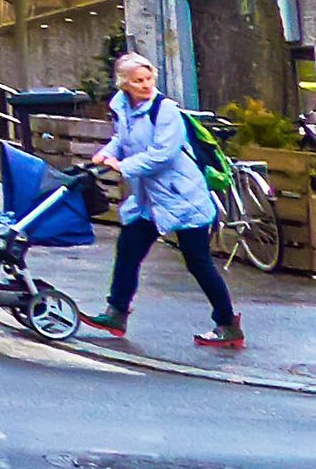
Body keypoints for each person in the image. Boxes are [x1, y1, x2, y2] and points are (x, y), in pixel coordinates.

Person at [88, 52, 242, 349]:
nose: (146, 85)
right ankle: (116, 312)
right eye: (138, 81)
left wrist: (124, 166)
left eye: (148, 79)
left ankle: (227, 324)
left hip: (182, 197)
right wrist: (106, 153)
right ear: (124, 84)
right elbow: (122, 139)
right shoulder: (122, 108)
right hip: (149, 199)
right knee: (128, 249)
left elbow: (163, 154)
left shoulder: (165, 111)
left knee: (198, 263)